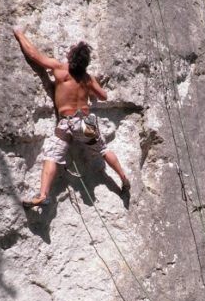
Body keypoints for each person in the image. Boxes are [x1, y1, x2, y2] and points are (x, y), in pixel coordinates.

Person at [13, 30, 130, 207]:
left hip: (66, 123)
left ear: (71, 56)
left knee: (51, 155)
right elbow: (104, 96)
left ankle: (43, 195)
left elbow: (34, 55)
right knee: (103, 149)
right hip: (84, 121)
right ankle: (123, 176)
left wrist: (20, 35)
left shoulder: (60, 69)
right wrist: (92, 86)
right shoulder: (87, 78)